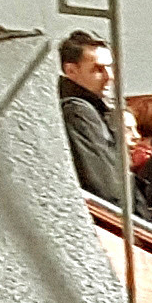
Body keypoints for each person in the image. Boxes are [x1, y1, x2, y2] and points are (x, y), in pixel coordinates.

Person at [59, 37, 126, 202]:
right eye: (98, 69)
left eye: (110, 67)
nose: (109, 76)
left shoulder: (93, 109)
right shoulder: (77, 113)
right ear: (71, 71)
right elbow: (104, 183)